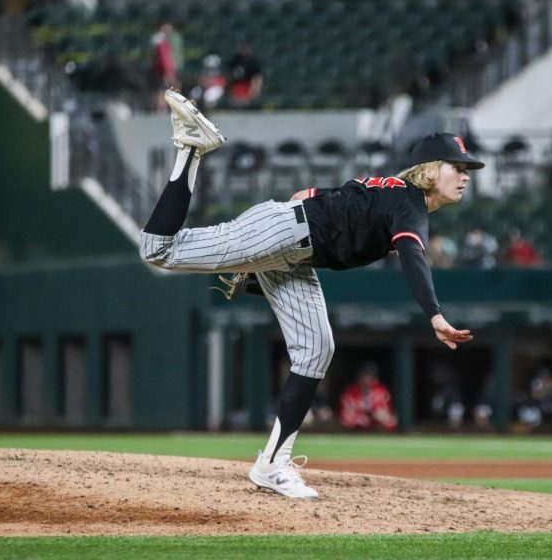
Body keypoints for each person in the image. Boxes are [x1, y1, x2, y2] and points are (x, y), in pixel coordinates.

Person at [139, 89, 480, 499]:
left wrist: (270, 254)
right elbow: (413, 255)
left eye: (467, 169)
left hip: (292, 246)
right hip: (285, 232)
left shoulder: (390, 190)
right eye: (456, 166)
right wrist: (435, 314)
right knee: (157, 249)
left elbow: (320, 195)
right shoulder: (410, 205)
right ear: (430, 170)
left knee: (316, 349)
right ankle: (193, 149)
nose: (465, 175)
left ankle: (273, 464)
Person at [338, 362, 399, 431]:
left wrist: (377, 416)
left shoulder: (381, 391)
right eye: (365, 375)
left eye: (371, 376)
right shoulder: (350, 392)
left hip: (376, 431)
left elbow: (388, 419)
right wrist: (365, 417)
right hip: (354, 432)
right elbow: (345, 419)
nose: (367, 378)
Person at [226, 41, 263, 106]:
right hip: (236, 86)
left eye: (246, 49)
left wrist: (255, 90)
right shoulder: (234, 60)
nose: (244, 51)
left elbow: (257, 78)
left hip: (248, 86)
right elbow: (229, 75)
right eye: (243, 49)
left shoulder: (253, 62)